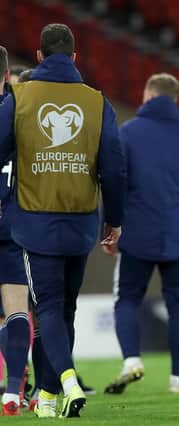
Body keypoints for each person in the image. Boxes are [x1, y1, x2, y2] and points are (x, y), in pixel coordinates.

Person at [0, 23, 126, 418]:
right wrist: (115, 221)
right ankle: (50, 399)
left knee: (50, 307)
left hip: (34, 220)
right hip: (82, 221)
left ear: (38, 57)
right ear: (74, 57)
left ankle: (67, 379)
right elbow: (114, 169)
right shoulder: (98, 101)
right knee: (66, 308)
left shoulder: (18, 97)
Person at [102, 73, 179, 396]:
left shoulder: (127, 134)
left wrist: (108, 230)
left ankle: (131, 360)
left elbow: (113, 184)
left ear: (149, 95)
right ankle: (178, 379)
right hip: (178, 239)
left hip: (135, 236)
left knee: (126, 299)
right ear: (175, 99)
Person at [0, 46, 31, 417]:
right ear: (7, 76)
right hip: (14, 221)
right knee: (16, 307)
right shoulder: (21, 116)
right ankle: (12, 393)